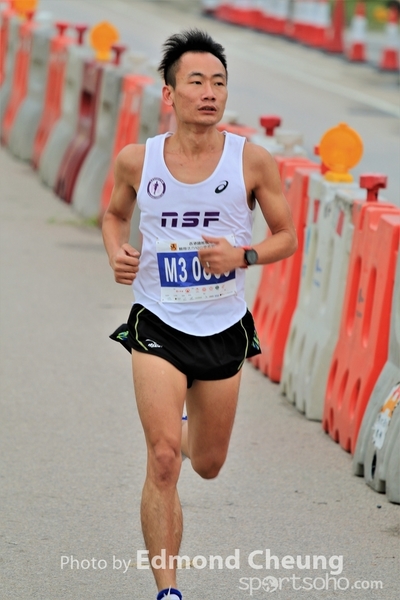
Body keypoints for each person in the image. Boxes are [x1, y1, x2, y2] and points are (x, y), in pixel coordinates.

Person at [102, 29, 298, 600]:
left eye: (218, 82)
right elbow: (113, 216)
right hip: (157, 320)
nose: (209, 93)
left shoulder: (251, 161)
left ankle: (186, 429)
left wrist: (244, 256)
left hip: (222, 326)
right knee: (163, 459)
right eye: (196, 82)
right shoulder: (138, 160)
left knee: (207, 463)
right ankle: (168, 591)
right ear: (169, 94)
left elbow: (287, 236)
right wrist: (116, 252)